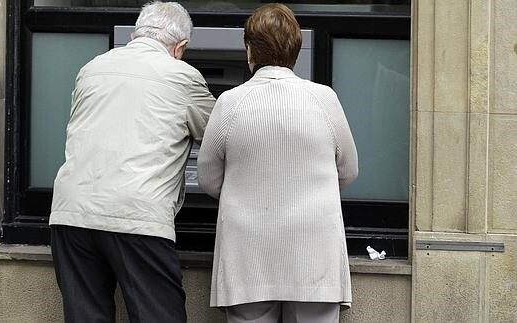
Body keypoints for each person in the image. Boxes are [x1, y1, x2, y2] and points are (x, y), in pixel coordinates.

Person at [49, 2, 215, 322]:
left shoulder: (92, 67)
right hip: (138, 214)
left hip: (72, 212)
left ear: (132, 34)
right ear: (180, 47)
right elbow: (218, 136)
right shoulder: (182, 76)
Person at [197, 3, 358, 323]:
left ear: (249, 51)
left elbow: (208, 178)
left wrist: (245, 192)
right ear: (295, 51)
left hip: (248, 256)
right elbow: (348, 171)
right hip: (314, 257)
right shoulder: (324, 99)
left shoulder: (229, 102)